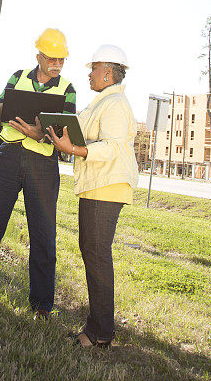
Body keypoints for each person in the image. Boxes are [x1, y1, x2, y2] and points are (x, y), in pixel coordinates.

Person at [0, 28, 76, 319]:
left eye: (61, 60)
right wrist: (17, 110)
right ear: (38, 56)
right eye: (51, 58)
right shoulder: (17, 76)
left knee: (43, 235)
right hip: (9, 156)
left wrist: (41, 132)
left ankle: (41, 305)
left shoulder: (68, 88)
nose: (57, 64)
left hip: (43, 164)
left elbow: (67, 129)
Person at [47, 44, 138, 348]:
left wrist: (73, 149)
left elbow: (112, 147)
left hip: (106, 187)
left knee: (97, 255)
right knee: (93, 252)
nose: (89, 73)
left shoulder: (115, 105)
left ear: (109, 73)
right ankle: (98, 327)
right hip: (97, 185)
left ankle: (100, 333)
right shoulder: (102, 101)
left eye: (94, 68)